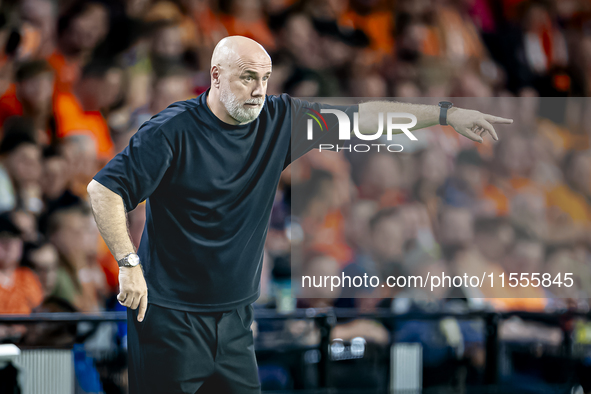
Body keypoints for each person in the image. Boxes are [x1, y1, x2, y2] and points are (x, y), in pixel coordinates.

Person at [86, 35, 513, 394]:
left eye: (265, 79)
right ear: (216, 76)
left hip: (235, 320)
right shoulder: (171, 131)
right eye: (247, 78)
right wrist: (128, 263)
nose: (258, 90)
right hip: (169, 318)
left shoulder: (280, 120)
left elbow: (367, 117)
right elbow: (104, 189)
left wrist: (444, 114)